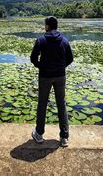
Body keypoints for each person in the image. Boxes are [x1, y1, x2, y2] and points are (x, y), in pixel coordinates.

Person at [30, 16, 73, 147]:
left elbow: (33, 58)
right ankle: (64, 137)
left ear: (48, 26)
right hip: (60, 76)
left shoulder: (41, 40)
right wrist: (61, 67)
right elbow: (70, 58)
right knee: (61, 104)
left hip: (45, 76)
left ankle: (39, 134)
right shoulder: (64, 41)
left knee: (42, 103)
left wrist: (42, 66)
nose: (44, 26)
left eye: (45, 24)